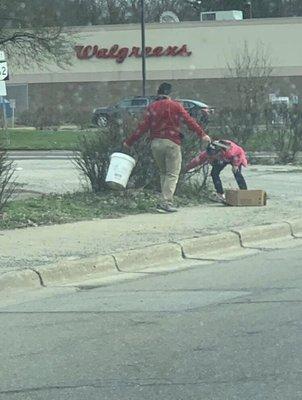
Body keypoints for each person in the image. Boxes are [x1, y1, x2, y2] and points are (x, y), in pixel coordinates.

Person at [123, 82, 211, 213]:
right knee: (172, 173)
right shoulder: (176, 106)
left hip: (155, 143)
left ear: (158, 93)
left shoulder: (152, 107)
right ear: (170, 94)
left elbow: (142, 127)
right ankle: (166, 201)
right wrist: (202, 134)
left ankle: (163, 200)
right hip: (171, 142)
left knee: (163, 172)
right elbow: (189, 121)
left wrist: (129, 142)